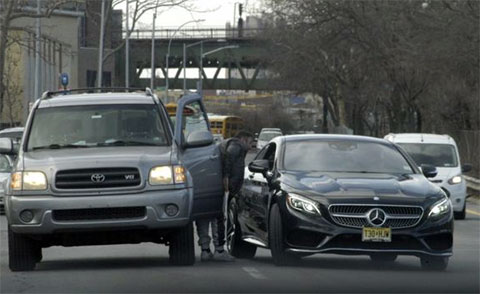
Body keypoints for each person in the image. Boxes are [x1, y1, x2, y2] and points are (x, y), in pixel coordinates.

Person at [195, 130, 254, 262]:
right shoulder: (236, 145)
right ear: (243, 139)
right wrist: (226, 177)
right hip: (221, 188)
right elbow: (230, 157)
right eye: (250, 142)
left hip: (208, 186)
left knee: (204, 217)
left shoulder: (223, 146)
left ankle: (205, 250)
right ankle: (219, 250)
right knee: (219, 217)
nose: (251, 147)